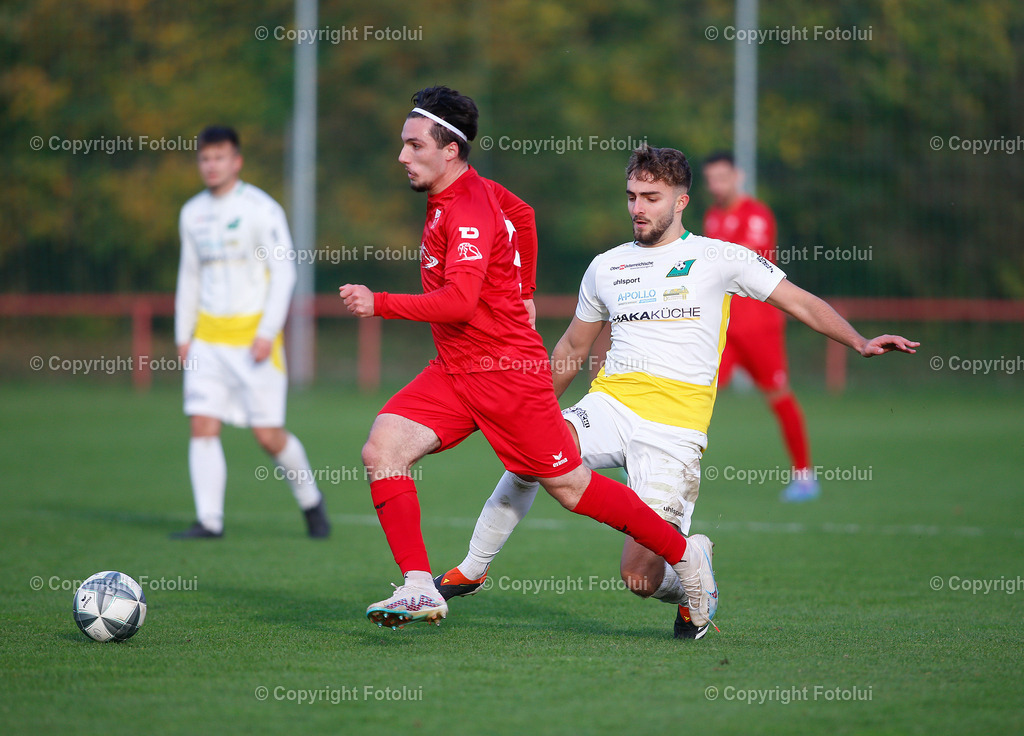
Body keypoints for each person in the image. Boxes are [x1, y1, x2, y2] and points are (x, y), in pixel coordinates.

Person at [434, 144, 919, 639]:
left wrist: (858, 340)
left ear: (681, 201)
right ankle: (471, 569)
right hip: (609, 405)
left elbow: (800, 302)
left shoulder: (719, 258)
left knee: (638, 578)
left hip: (673, 431)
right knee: (530, 452)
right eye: (631, 196)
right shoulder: (606, 266)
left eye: (651, 197)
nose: (638, 208)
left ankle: (693, 569)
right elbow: (573, 347)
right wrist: (529, 407)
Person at [338, 86, 717, 632]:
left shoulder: (467, 207)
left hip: (505, 375)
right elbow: (525, 213)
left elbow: (460, 300)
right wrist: (526, 289)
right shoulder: (477, 192)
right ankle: (419, 587)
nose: (402, 155)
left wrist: (380, 304)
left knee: (571, 489)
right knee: (383, 450)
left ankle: (684, 556)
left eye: (413, 145)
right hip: (455, 369)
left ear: (449, 151)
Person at [173, 125, 329, 539]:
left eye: (219, 157)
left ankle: (311, 502)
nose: (211, 165)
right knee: (202, 425)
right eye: (205, 158)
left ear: (236, 161)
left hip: (253, 342)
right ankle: (209, 521)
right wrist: (183, 333)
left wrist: (267, 331)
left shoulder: (262, 209)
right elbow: (189, 275)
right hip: (207, 338)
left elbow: (284, 272)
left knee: (268, 435)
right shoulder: (192, 213)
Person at [702, 151, 816, 502]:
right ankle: (653, 462)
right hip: (724, 328)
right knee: (695, 390)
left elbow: (744, 263)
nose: (716, 185)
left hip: (759, 326)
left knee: (779, 395)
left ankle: (805, 476)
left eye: (722, 177)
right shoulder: (712, 218)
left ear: (738, 175)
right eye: (711, 179)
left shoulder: (757, 216)